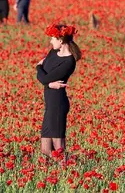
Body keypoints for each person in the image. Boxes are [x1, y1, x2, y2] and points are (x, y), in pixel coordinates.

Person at [36, 24, 82, 163]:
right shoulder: (52, 53)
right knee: (45, 150)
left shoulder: (69, 62)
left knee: (58, 149)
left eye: (52, 39)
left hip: (58, 105)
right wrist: (49, 83)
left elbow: (43, 77)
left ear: (61, 40)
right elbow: (44, 79)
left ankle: (70, 169)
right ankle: (63, 168)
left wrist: (39, 67)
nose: (51, 42)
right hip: (50, 105)